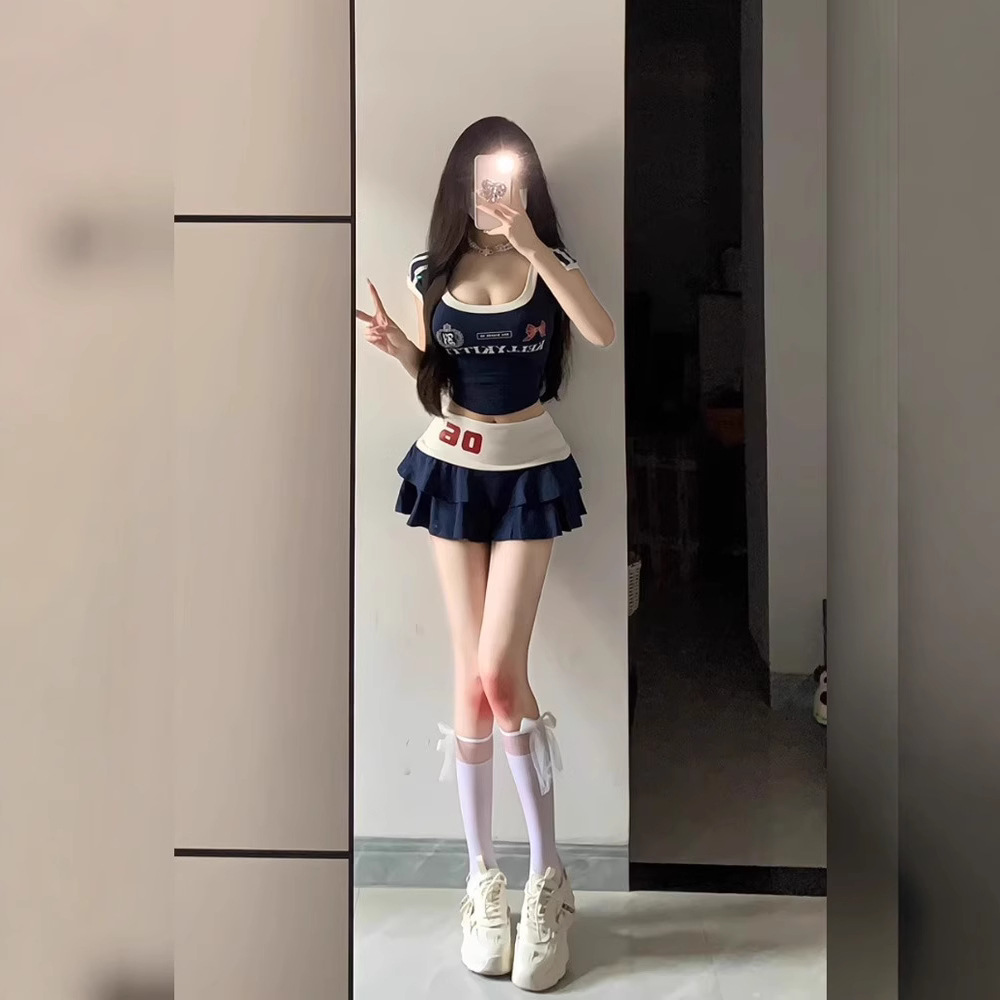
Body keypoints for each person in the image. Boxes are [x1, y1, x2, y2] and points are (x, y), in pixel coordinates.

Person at [356, 117, 615, 992]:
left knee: (503, 674)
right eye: (481, 175)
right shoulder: (431, 271)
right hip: (451, 465)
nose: (493, 188)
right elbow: (440, 382)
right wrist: (402, 350)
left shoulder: (549, 261)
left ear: (526, 183)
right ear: (459, 183)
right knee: (469, 683)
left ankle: (550, 877)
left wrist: (533, 244)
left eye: (509, 174)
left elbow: (600, 333)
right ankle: (482, 882)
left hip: (531, 469)